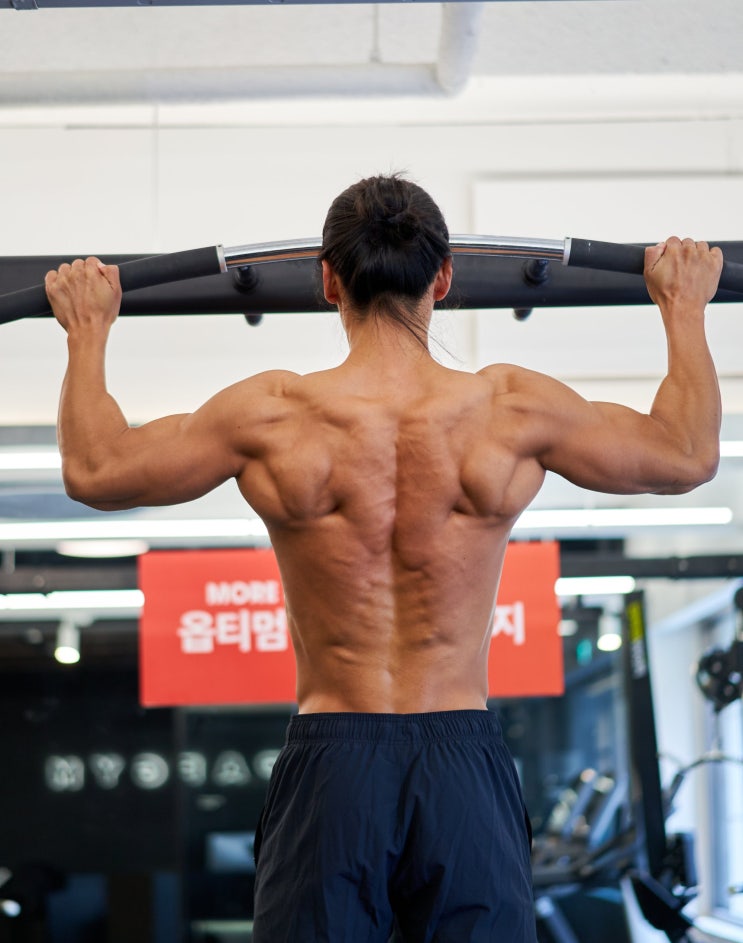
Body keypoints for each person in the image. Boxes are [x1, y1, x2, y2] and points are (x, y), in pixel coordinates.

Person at [45, 174, 723, 943]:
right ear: (443, 277)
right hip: (461, 759)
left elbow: (96, 470)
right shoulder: (509, 409)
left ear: (328, 280)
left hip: (333, 765)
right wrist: (682, 307)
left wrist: (87, 329)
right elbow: (684, 453)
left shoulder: (272, 414)